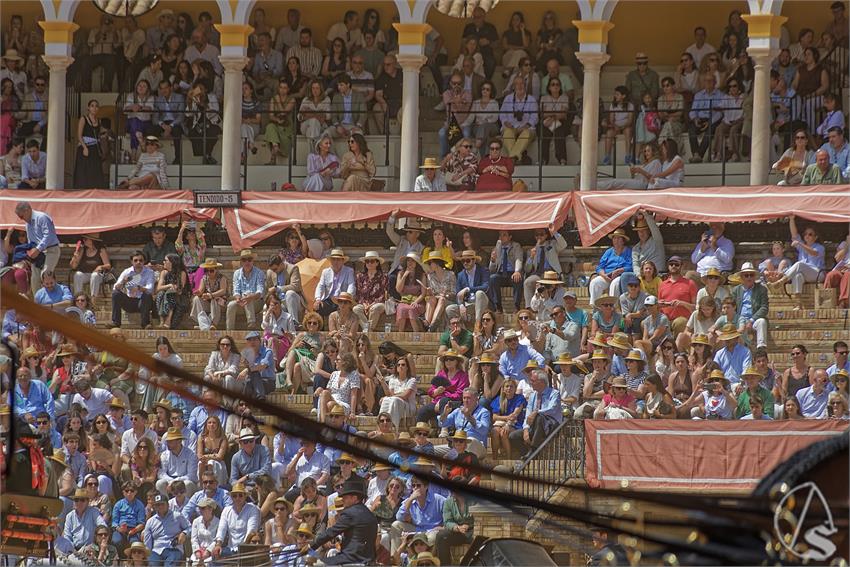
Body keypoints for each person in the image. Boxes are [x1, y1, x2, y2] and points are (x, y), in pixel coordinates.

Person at [509, 369, 562, 458]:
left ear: (541, 382)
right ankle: (529, 455)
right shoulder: (533, 395)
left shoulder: (554, 393)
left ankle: (533, 451)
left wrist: (536, 412)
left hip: (551, 426)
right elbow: (528, 414)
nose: (530, 382)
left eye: (533, 381)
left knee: (539, 417)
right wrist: (526, 429)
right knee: (513, 436)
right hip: (535, 426)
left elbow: (552, 409)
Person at [110, 250, 155, 330]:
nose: (138, 262)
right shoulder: (127, 272)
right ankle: (115, 322)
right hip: (129, 301)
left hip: (142, 302)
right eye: (136, 260)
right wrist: (123, 282)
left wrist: (139, 288)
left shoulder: (149, 272)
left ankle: (146, 324)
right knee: (115, 294)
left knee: (147, 295)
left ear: (144, 261)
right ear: (131, 261)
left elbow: (150, 289)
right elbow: (115, 287)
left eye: (141, 260)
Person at [588, 228, 632, 307]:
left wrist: (619, 270)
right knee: (595, 282)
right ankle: (595, 307)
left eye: (619, 238)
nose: (616, 240)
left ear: (623, 240)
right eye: (614, 238)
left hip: (620, 276)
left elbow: (631, 266)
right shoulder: (609, 252)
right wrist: (603, 275)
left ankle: (612, 307)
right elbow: (600, 266)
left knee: (615, 284)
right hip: (607, 276)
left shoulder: (629, 251)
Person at [499, 76, 537, 164]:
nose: (520, 86)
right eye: (517, 84)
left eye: (522, 84)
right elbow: (502, 114)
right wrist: (505, 122)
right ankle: (515, 157)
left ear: (525, 85)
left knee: (526, 133)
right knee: (507, 132)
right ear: (513, 86)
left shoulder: (531, 99)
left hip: (527, 128)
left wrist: (526, 126)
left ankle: (511, 158)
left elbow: (535, 117)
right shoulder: (508, 98)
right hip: (510, 127)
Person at [314, 248, 356, 317]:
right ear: (330, 261)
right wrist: (318, 299)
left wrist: (347, 297)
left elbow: (351, 285)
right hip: (329, 299)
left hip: (342, 300)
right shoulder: (325, 272)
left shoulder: (349, 271)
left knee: (345, 308)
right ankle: (319, 327)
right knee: (318, 306)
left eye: (338, 259)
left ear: (343, 261)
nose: (336, 262)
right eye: (333, 259)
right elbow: (320, 286)